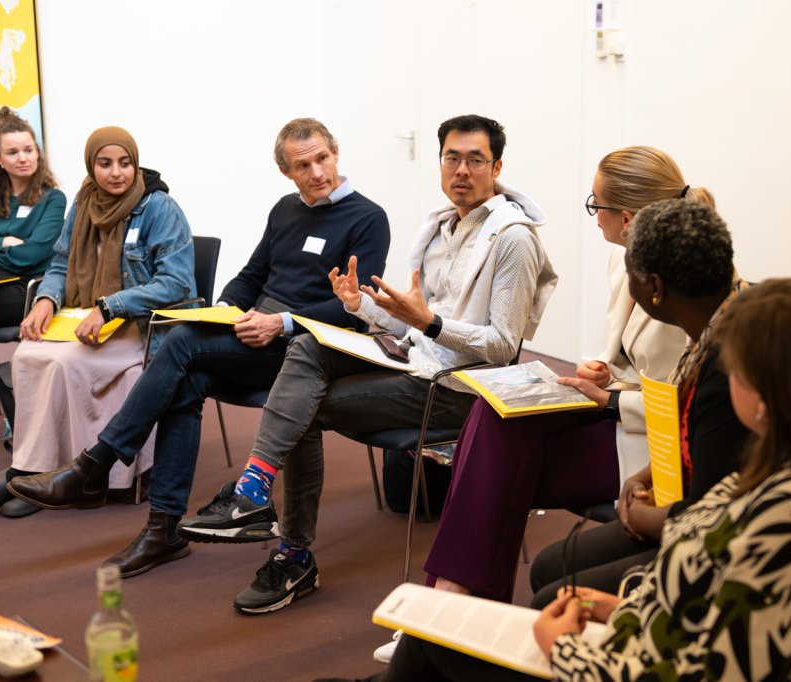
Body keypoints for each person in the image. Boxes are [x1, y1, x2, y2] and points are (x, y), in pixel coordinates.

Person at [338, 203, 791, 682]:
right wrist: (623, 607)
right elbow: (704, 574)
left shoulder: (788, 516)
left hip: (641, 642)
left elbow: (691, 658)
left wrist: (565, 645)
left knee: (452, 647)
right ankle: (452, 603)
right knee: (505, 450)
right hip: (663, 579)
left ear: (766, 398)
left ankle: (444, 617)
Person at [177, 114, 557, 615]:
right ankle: (255, 490)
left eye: (475, 160)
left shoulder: (513, 240)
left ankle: (289, 551)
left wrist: (431, 323)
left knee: (299, 406)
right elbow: (411, 325)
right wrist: (360, 306)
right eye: (451, 158)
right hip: (419, 362)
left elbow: (503, 346)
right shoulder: (444, 229)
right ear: (440, 163)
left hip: (462, 387)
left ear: (497, 166)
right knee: (309, 345)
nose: (461, 170)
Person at [5, 118, 391, 577]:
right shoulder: (285, 209)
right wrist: (226, 308)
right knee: (185, 378)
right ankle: (162, 530)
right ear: (286, 171)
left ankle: (97, 462)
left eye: (322, 159)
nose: (317, 173)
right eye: (302, 165)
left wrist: (281, 322)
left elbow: (354, 309)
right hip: (253, 333)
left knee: (183, 343)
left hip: (307, 347)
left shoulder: (368, 218)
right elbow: (252, 275)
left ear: (336, 152)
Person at [420, 147, 698, 604]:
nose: (593, 217)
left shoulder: (679, 289)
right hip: (617, 405)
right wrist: (604, 369)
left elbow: (677, 407)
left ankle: (448, 604)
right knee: (492, 415)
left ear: (627, 218)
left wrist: (608, 399)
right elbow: (629, 355)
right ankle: (454, 605)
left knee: (490, 472)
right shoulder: (620, 258)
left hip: (650, 444)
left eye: (596, 205)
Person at [526, 197, 749, 608]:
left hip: (719, 548)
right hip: (684, 505)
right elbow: (692, 441)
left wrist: (641, 516)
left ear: (656, 288)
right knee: (547, 566)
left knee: (554, 597)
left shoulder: (725, 366)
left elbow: (711, 515)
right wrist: (642, 478)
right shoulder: (721, 318)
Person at [0, 126, 195, 519]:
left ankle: (52, 474)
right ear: (91, 166)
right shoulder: (85, 201)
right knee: (29, 355)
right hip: (85, 318)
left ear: (135, 163)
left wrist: (110, 306)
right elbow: (59, 262)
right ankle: (31, 468)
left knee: (67, 363)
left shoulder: (159, 207)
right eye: (104, 164)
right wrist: (45, 299)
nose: (116, 173)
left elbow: (176, 283)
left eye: (124, 163)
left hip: (141, 326)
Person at [0, 107, 65, 469]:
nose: (23, 158)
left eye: (28, 150)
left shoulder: (52, 199)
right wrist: (3, 242)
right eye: (13, 152)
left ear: (37, 152)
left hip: (26, 292)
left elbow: (34, 255)